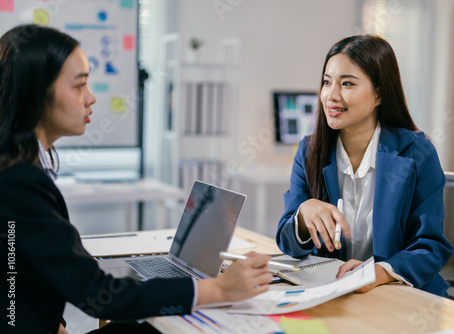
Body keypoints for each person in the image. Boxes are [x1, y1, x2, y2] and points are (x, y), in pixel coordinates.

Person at [0, 24, 272, 334]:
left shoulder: (18, 165)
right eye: (80, 85)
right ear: (36, 92)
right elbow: (97, 295)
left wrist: (53, 323)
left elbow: (20, 272)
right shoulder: (16, 180)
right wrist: (219, 290)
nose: (91, 98)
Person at [276, 35, 453, 297]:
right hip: (336, 293)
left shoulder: (417, 153)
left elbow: (431, 246)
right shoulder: (309, 150)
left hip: (399, 295)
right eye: (327, 82)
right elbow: (289, 243)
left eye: (347, 83)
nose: (331, 95)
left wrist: (379, 272)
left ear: (379, 94)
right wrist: (302, 215)